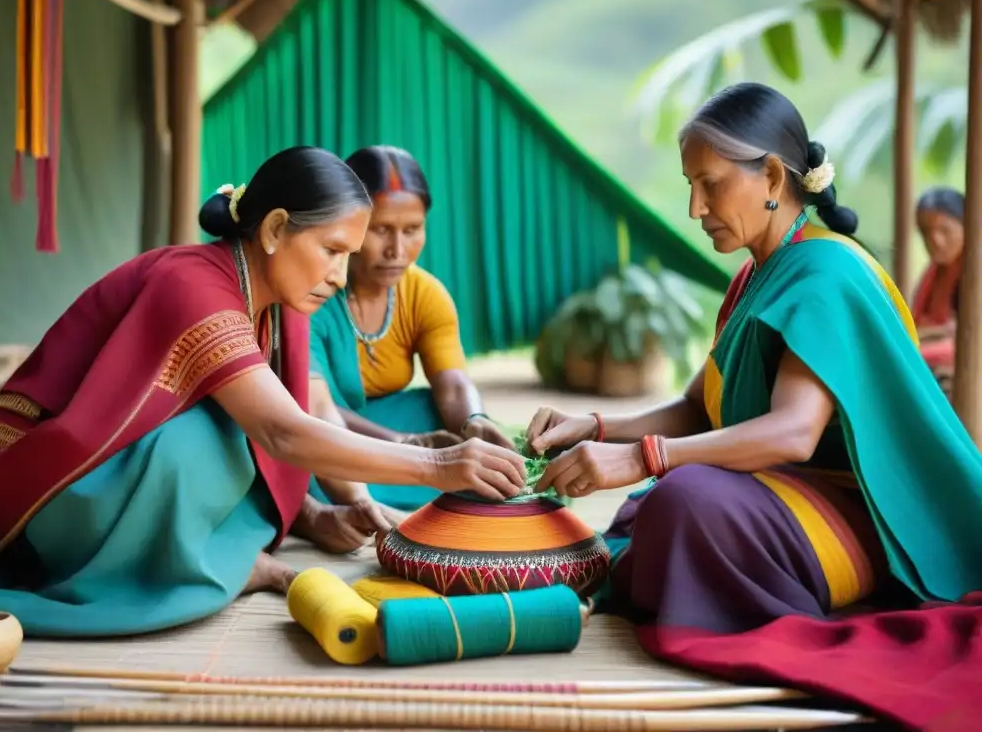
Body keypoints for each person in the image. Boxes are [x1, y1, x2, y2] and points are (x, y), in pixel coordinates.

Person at [524, 83, 982, 728]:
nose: (694, 207)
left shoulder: (825, 272)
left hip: (871, 514)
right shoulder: (755, 272)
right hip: (791, 491)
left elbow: (795, 434)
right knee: (663, 501)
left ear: (770, 174)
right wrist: (596, 427)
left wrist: (643, 457)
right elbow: (696, 409)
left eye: (709, 184)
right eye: (690, 185)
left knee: (682, 500)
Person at [0, 146, 526, 638]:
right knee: (207, 439)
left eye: (347, 256)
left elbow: (317, 412)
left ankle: (233, 550)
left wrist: (347, 505)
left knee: (236, 426)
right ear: (276, 230)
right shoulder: (191, 284)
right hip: (29, 499)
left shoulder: (282, 297)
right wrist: (439, 464)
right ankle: (212, 565)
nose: (339, 273)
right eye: (332, 249)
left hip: (92, 482)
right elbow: (283, 431)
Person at [307, 145, 515, 512]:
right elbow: (313, 410)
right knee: (304, 470)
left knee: (444, 420)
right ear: (346, 224)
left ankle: (431, 480)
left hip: (395, 427)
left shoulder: (425, 294)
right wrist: (401, 445)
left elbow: (452, 384)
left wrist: (474, 422)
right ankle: (416, 488)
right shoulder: (312, 293)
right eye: (380, 230)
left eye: (413, 230)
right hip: (326, 433)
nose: (397, 250)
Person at [911, 187, 964, 398]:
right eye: (925, 232)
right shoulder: (934, 274)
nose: (935, 240)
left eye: (945, 230)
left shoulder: (974, 275)